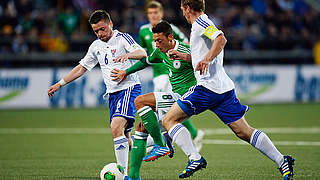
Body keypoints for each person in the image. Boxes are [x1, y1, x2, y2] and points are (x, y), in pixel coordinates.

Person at [161, 0, 295, 179]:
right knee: (243, 131)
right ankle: (282, 160)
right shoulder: (199, 25)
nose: (182, 13)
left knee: (168, 120)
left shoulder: (201, 22)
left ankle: (195, 157)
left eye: (182, 9)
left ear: (187, 8)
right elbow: (202, 53)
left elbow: (220, 39)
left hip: (206, 89)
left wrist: (207, 59)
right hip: (222, 89)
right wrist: (185, 57)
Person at [47, 10, 147, 176]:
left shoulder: (123, 38)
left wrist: (127, 55)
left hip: (129, 88)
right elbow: (82, 68)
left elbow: (143, 53)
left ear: (111, 24)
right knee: (127, 140)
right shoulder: (95, 46)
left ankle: (123, 175)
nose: (100, 34)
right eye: (96, 31)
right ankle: (159, 140)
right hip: (113, 95)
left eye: (103, 29)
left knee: (115, 127)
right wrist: (60, 83)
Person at [111, 21, 197, 180]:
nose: (156, 44)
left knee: (140, 101)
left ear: (170, 37)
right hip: (174, 98)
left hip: (186, 98)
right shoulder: (159, 51)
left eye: (160, 40)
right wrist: (125, 71)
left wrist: (189, 58)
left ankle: (160, 144)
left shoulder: (184, 51)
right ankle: (133, 176)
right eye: (154, 41)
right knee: (141, 129)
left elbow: (203, 64)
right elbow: (145, 61)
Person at [139, 0, 204, 152]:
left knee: (165, 108)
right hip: (157, 73)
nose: (153, 15)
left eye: (155, 13)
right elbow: (144, 52)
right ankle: (191, 134)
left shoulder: (171, 28)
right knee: (169, 108)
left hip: (172, 73)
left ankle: (159, 141)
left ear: (161, 13)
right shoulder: (143, 31)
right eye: (150, 13)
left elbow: (187, 43)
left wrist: (183, 56)